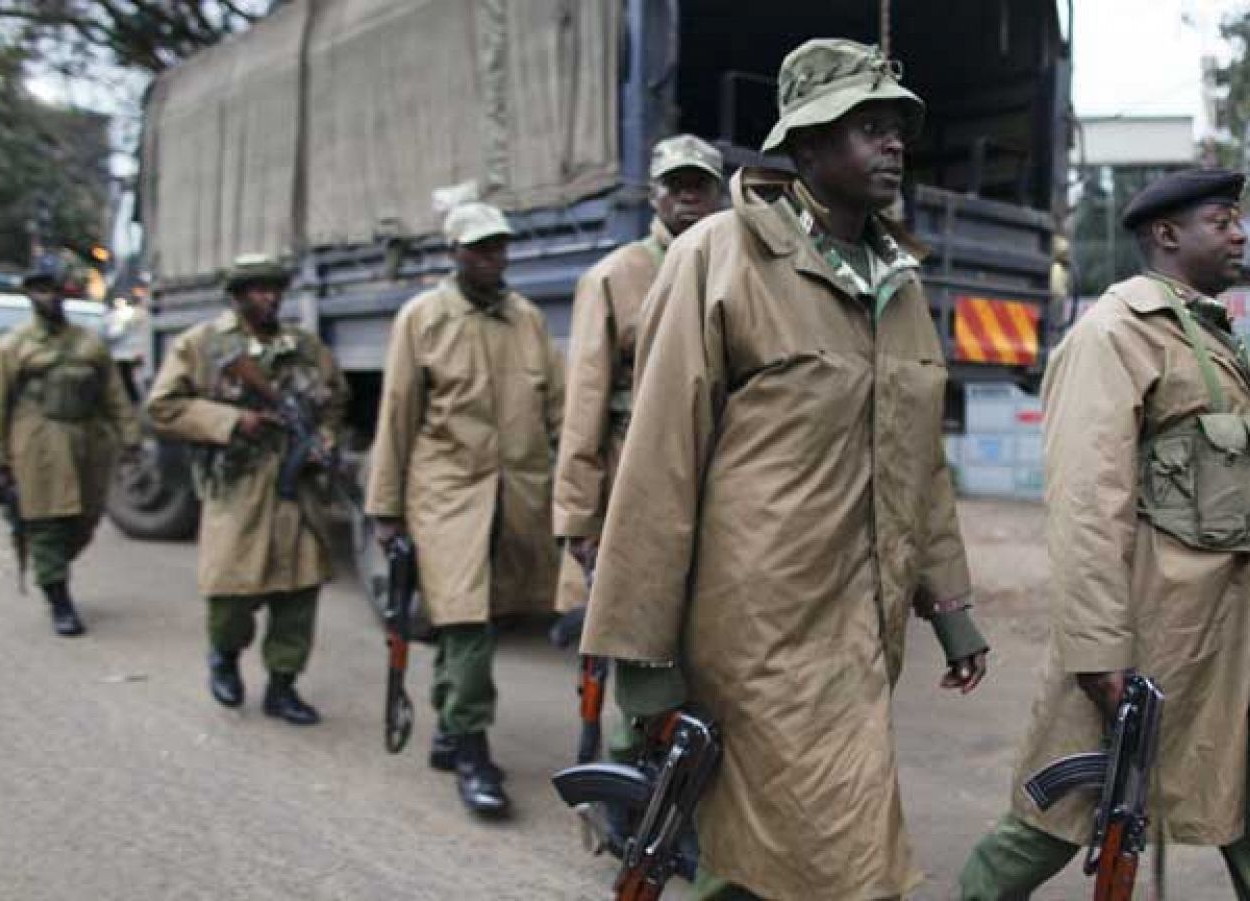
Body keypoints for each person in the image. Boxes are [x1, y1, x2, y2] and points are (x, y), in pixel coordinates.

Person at [579, 39, 989, 900]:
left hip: (862, 629)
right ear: (805, 149)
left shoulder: (899, 281)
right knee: (827, 853)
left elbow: (922, 462)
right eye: (868, 127)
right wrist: (644, 660)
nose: (895, 145)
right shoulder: (718, 258)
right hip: (755, 634)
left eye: (899, 129)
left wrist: (948, 604)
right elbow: (658, 468)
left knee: (763, 851)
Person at [956, 169, 1250, 900]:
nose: (1241, 233)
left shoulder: (1220, 340)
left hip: (1241, 642)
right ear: (1166, 235)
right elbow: (1087, 502)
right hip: (1154, 640)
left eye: (1238, 219)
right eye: (1222, 220)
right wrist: (1098, 648)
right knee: (1051, 820)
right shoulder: (1115, 334)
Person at [365, 201, 565, 819]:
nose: (492, 258)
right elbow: (396, 414)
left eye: (499, 247)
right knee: (468, 622)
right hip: (446, 494)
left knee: (485, 618)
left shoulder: (527, 319)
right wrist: (386, 509)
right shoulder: (422, 318)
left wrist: (574, 492)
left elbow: (559, 412)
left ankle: (449, 732)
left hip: (517, 495)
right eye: (478, 248)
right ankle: (475, 752)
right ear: (453, 252)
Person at [146, 254, 348, 726]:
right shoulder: (201, 345)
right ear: (237, 296)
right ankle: (225, 657)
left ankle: (283, 685)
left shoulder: (304, 347)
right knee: (231, 590)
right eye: (257, 289)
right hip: (236, 486)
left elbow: (335, 400)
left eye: (274, 288)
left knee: (298, 593)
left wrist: (324, 440)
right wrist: (234, 421)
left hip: (296, 489)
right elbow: (163, 407)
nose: (269, 296)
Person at [551, 134, 723, 644]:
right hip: (638, 473)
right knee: (642, 635)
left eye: (700, 185)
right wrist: (580, 519)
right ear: (654, 196)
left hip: (723, 474)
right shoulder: (614, 277)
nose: (688, 196)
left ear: (719, 196)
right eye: (676, 186)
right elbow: (584, 407)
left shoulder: (744, 273)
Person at [0, 265, 141, 636]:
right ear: (29, 296)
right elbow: (1, 404)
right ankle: (59, 599)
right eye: (40, 291)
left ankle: (52, 569)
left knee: (84, 519)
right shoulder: (14, 345)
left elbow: (114, 394)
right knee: (45, 521)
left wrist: (130, 436)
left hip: (86, 440)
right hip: (37, 439)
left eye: (54, 290)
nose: (48, 297)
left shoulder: (89, 343)